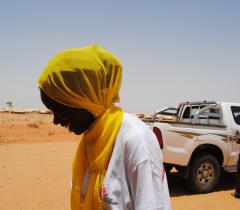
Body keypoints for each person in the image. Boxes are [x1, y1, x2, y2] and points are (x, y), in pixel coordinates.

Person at [38, 44, 172, 210]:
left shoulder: (136, 141)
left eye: (60, 110)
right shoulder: (92, 137)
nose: (56, 121)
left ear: (86, 98)